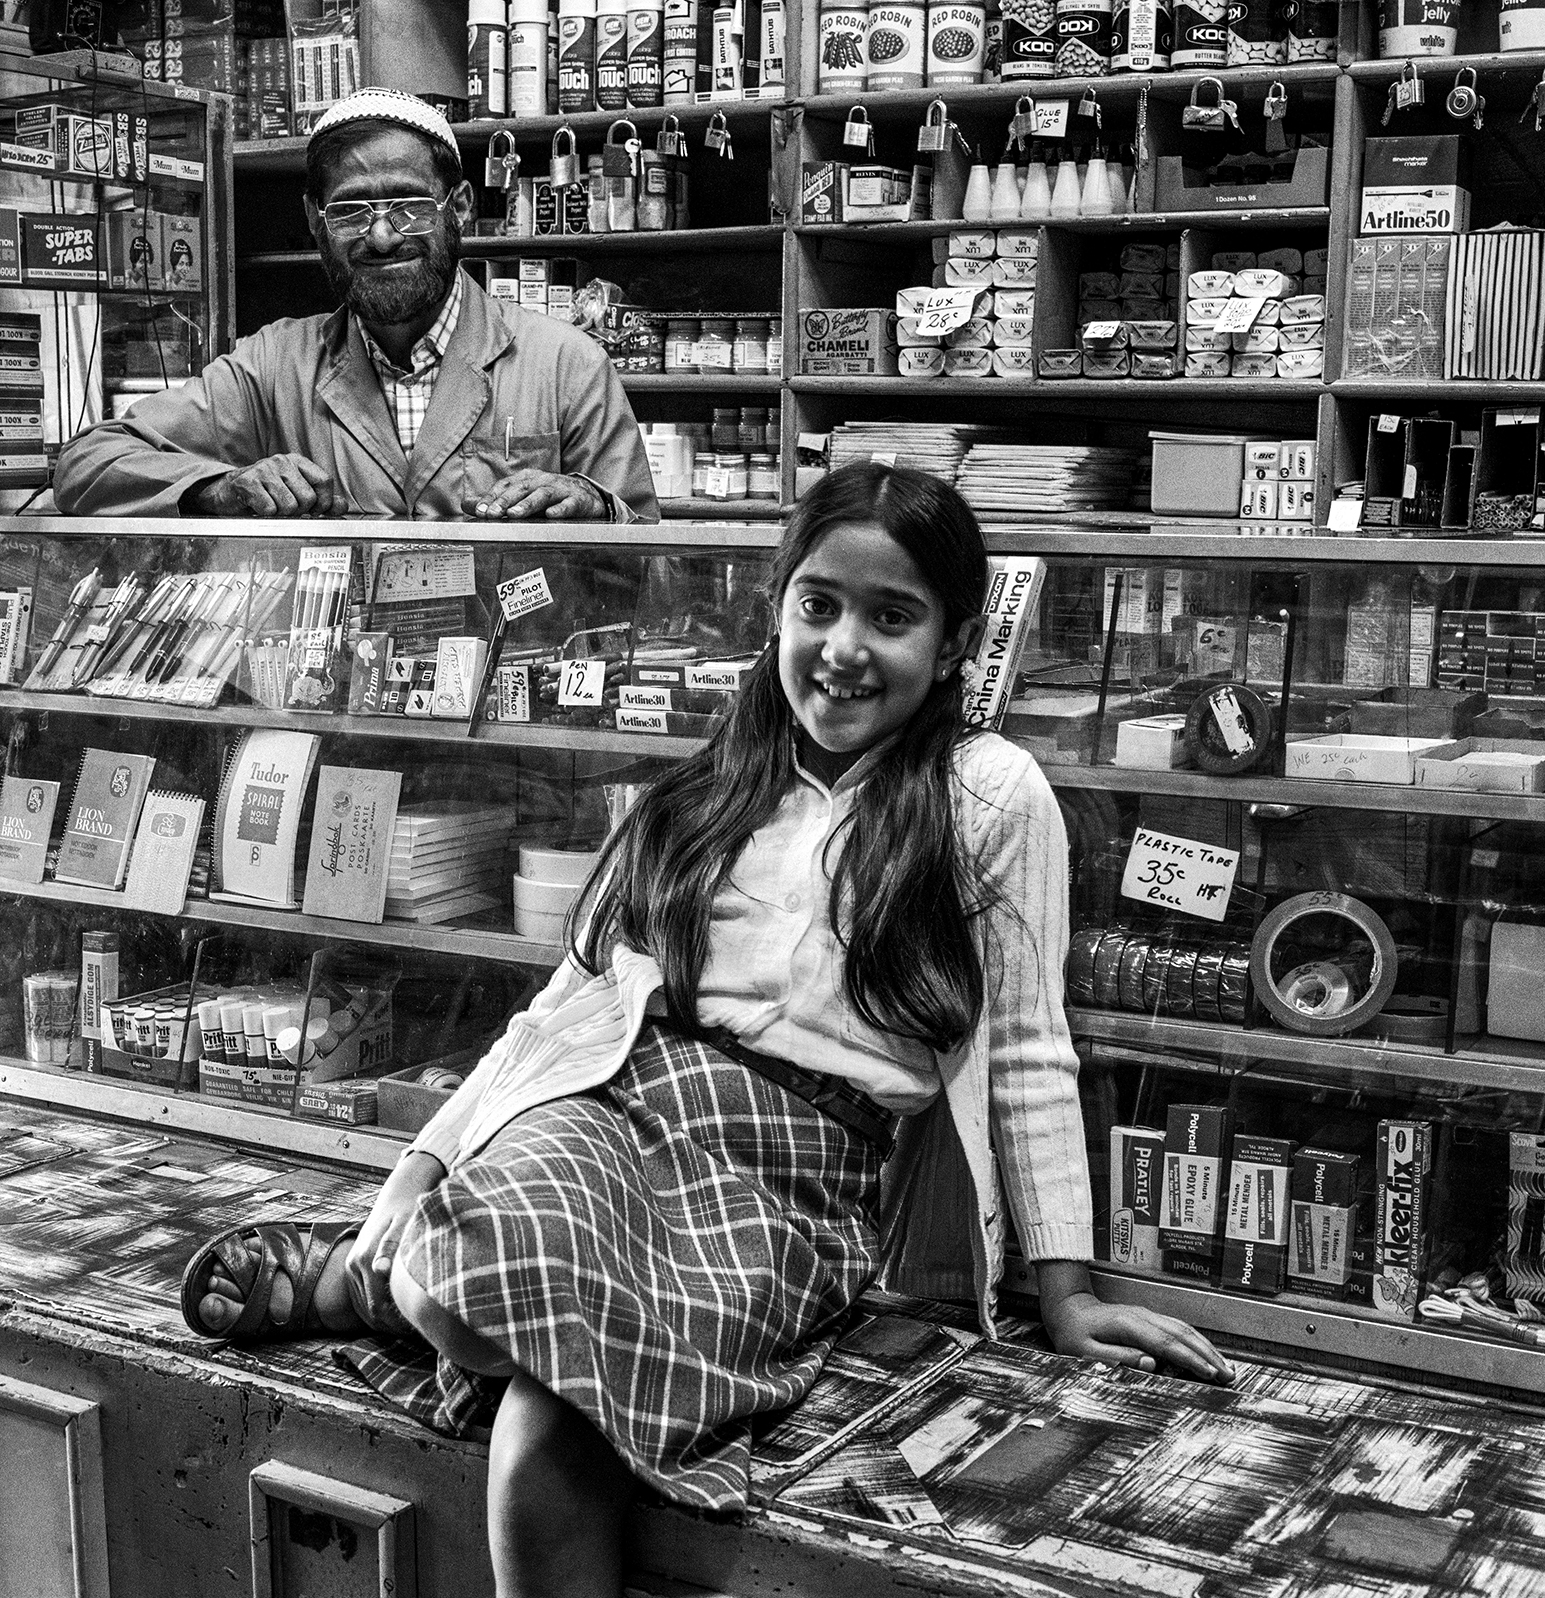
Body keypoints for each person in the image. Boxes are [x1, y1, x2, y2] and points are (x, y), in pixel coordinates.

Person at [178, 464, 1232, 1598]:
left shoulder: (991, 792)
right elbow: (566, 1009)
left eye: (893, 616)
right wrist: (417, 1164)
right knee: (470, 1287)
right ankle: (403, 1262)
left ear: (954, 639)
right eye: (817, 604)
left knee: (546, 1389)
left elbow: (1028, 1046)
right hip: (620, 1104)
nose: (843, 647)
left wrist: (1068, 1291)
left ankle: (355, 1282)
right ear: (776, 604)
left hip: (795, 1179)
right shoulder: (704, 790)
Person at [53, 88, 657, 523]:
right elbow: (87, 464)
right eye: (350, 210)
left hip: (515, 684)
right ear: (317, 222)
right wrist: (220, 488)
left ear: (462, 207)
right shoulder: (273, 367)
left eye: (410, 205)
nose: (383, 236)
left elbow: (654, 555)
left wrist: (596, 506)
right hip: (335, 693)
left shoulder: (565, 363)